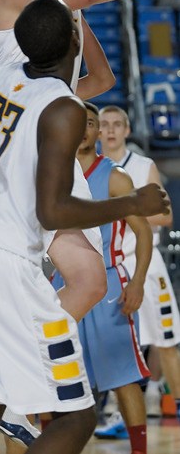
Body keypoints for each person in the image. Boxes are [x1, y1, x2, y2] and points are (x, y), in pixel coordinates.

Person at [0, 0, 168, 454]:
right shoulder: (64, 107)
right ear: (74, 41)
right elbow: (52, 211)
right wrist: (131, 200)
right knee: (77, 416)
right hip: (1, 265)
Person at [52, 102, 152, 454]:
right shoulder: (54, 172)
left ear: (97, 132)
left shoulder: (114, 176)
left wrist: (137, 281)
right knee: (55, 372)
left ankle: (139, 449)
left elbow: (144, 232)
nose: (83, 128)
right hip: (61, 284)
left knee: (122, 376)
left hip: (109, 284)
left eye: (90, 123)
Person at [99, 105, 180, 424]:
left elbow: (165, 215)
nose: (110, 130)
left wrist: (120, 210)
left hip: (146, 263)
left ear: (127, 131)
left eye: (117, 124)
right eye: (104, 124)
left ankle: (175, 401)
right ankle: (112, 411)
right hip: (109, 264)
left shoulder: (144, 165)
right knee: (114, 342)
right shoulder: (88, 168)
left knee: (167, 338)